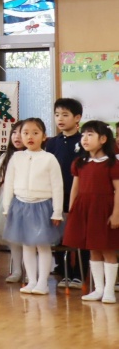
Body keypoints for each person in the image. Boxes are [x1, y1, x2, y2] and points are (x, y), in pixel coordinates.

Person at [2, 118, 64, 295]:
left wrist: (57, 212)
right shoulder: (16, 157)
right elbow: (9, 184)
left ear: (44, 136)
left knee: (42, 245)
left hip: (42, 206)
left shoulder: (49, 159)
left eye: (35, 133)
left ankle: (43, 282)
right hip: (20, 205)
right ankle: (32, 280)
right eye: (26, 133)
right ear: (20, 136)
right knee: (26, 245)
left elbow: (57, 187)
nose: (30, 137)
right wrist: (7, 207)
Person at [63, 120, 119, 303]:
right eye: (83, 135)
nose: (85, 139)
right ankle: (99, 289)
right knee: (93, 249)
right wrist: (72, 210)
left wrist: (116, 213)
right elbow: (75, 188)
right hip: (84, 209)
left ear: (103, 139)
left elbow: (118, 190)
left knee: (108, 249)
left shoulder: (112, 163)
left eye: (90, 135)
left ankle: (109, 290)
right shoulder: (80, 162)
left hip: (104, 210)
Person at [46, 97, 84, 289]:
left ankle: (80, 272)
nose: (60, 119)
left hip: (77, 193)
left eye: (65, 115)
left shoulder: (84, 141)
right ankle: (62, 268)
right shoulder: (52, 143)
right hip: (55, 194)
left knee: (78, 232)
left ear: (77, 118)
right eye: (57, 115)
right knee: (58, 231)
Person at [0, 121, 27, 283]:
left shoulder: (37, 155)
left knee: (28, 238)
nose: (17, 137)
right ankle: (17, 270)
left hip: (29, 198)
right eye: (14, 133)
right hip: (9, 198)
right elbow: (0, 181)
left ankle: (30, 272)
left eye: (21, 133)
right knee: (13, 238)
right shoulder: (5, 156)